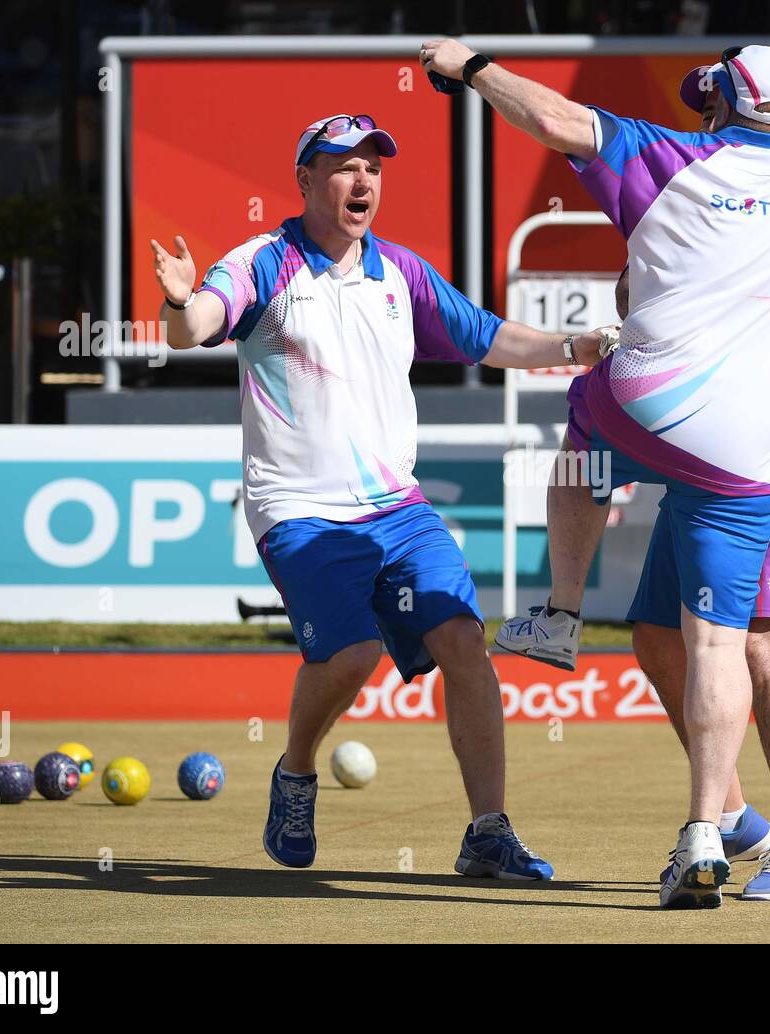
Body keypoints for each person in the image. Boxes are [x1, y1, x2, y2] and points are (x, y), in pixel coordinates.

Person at [421, 39, 770, 907]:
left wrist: (471, 67)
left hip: (745, 437)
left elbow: (560, 121)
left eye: (708, 102)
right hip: (750, 454)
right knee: (688, 641)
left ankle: (562, 615)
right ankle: (709, 833)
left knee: (594, 420)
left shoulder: (679, 162)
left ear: (722, 106)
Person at [150, 112, 613, 880]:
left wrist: (575, 347)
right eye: (343, 166)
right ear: (303, 181)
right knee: (354, 651)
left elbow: (488, 336)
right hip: (297, 508)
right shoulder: (262, 262)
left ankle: (487, 832)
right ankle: (295, 771)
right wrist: (176, 304)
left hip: (398, 509)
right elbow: (196, 323)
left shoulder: (401, 273)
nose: (362, 180)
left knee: (465, 640)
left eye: (374, 167)